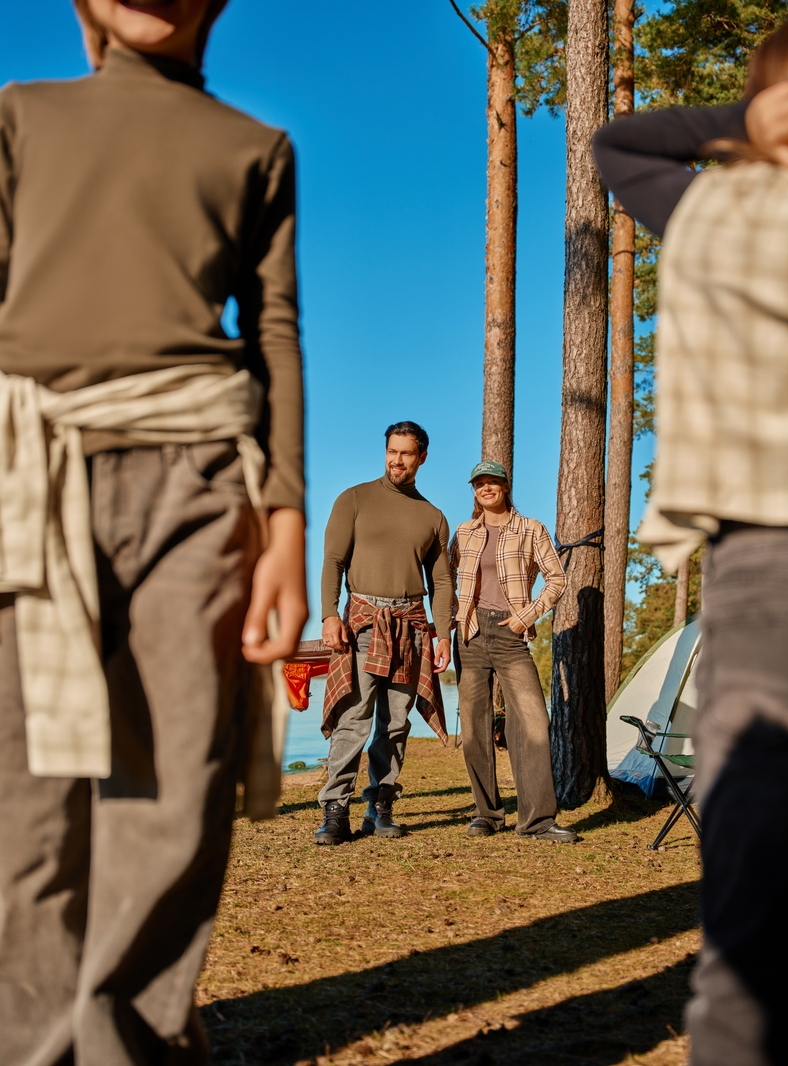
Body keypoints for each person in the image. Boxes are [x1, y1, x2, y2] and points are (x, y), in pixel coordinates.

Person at [0, 2, 308, 1063]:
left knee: (178, 780)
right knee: (26, 797)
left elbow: (273, 334)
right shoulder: (20, 116)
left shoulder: (257, 149)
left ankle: (126, 1039)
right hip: (29, 476)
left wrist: (285, 522)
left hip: (203, 483)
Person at [594, 18, 788, 1066]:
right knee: (756, 848)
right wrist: (745, 122)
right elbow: (617, 144)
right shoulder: (715, 208)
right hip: (769, 546)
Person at [316, 421, 452, 844]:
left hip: (410, 626)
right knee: (353, 718)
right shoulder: (354, 499)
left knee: (394, 723)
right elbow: (333, 560)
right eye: (392, 451)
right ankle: (335, 811)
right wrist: (329, 615)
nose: (397, 460)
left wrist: (443, 636)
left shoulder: (433, 517)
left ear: (422, 457)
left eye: (406, 453)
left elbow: (441, 583)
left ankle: (380, 807)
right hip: (362, 622)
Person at [449, 462, 574, 841]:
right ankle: (486, 814)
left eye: (493, 482)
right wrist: (455, 617)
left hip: (510, 633)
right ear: (474, 491)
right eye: (479, 484)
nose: (486, 488)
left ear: (505, 487)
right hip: (470, 635)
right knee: (474, 727)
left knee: (534, 722)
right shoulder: (464, 532)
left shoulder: (531, 528)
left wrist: (526, 617)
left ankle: (537, 821)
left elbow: (557, 579)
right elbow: (446, 578)